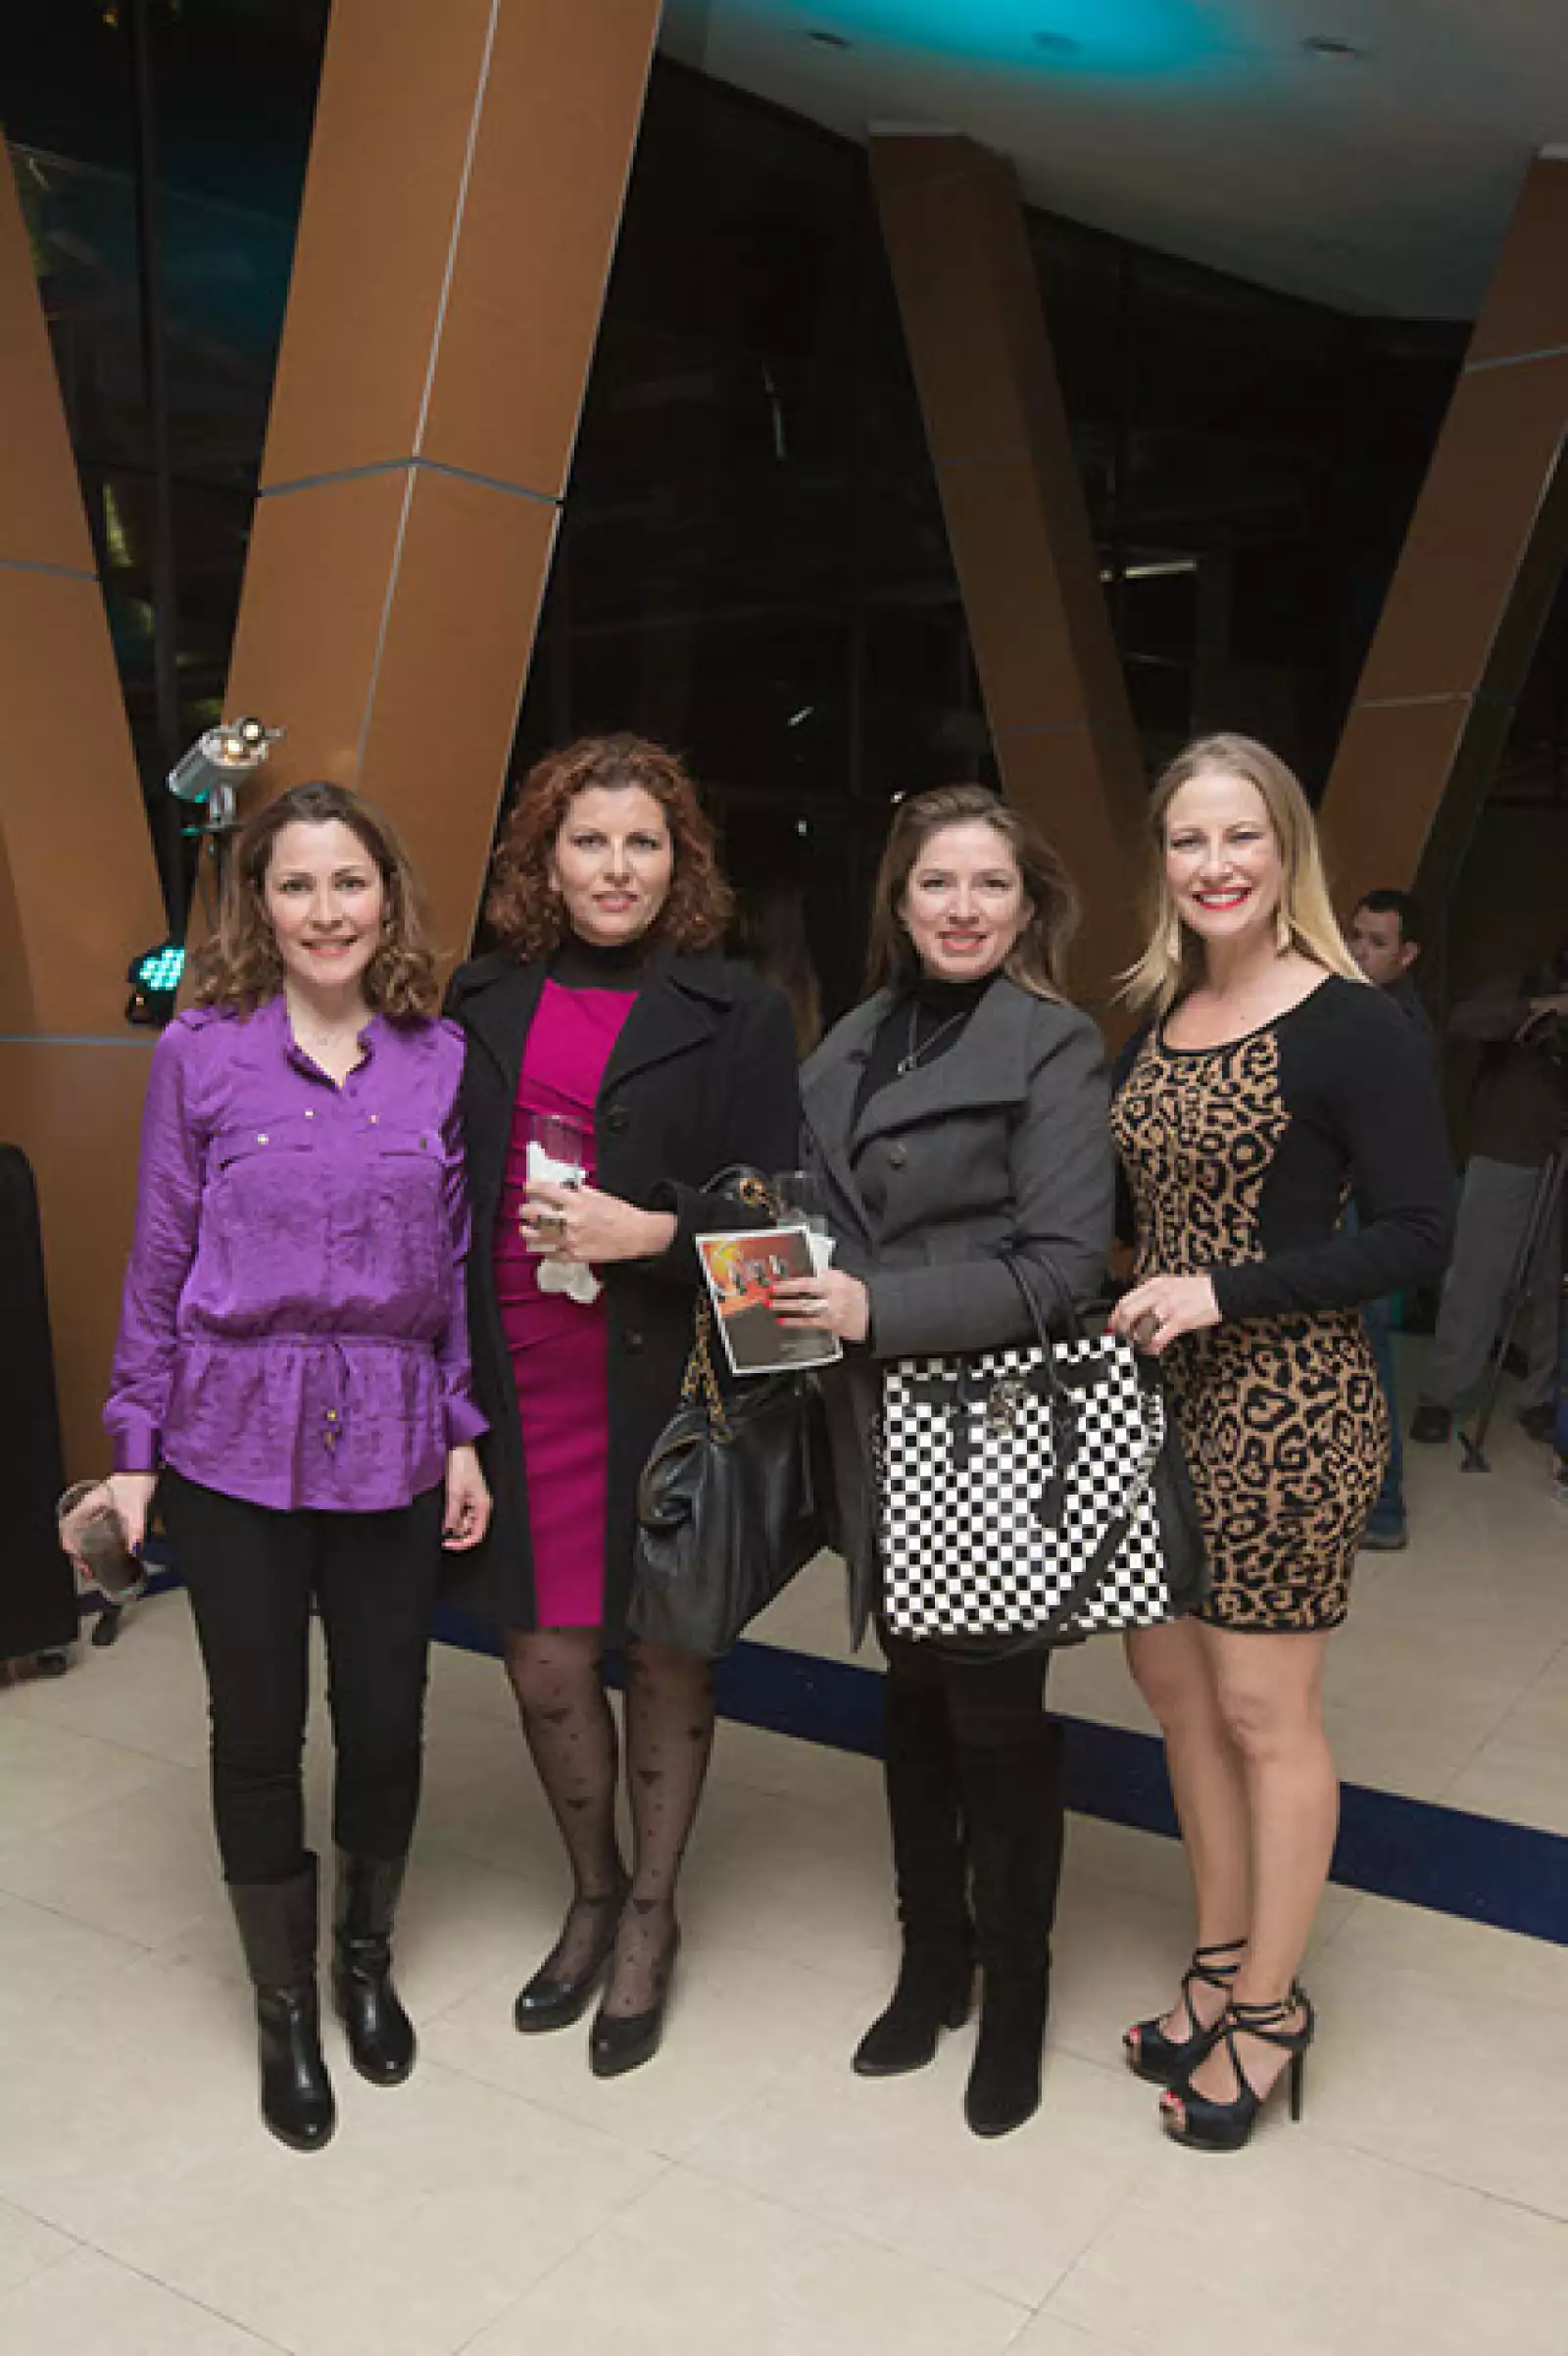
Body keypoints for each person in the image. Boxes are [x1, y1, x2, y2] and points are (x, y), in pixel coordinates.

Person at [103, 782, 491, 2153]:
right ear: (259, 907)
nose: (326, 911)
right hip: (230, 1434)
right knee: (258, 1735)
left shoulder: (438, 1057)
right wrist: (134, 1446)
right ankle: (283, 2006)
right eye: (296, 884)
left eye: (349, 882)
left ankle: (362, 1962)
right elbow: (159, 1252)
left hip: (392, 1433)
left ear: (387, 897)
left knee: (386, 1722)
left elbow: (453, 1263)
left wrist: (461, 1430)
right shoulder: (200, 1055)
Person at [1109, 733, 1451, 2154]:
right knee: (1177, 1698)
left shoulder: (1351, 1021)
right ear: (1163, 861)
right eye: (1189, 840)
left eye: (1240, 835)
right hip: (1155, 1407)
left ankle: (1268, 2008)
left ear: (1286, 847)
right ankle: (1214, 1960)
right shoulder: (1157, 1011)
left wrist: (1220, 1289)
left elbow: (1418, 1236)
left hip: (1288, 1408)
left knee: (1264, 1713)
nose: (1215, 865)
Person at [447, 733, 800, 2078]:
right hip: (519, 1373)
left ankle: (652, 1912)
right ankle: (591, 1887)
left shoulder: (739, 1010)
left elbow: (781, 1234)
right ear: (544, 861)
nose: (615, 867)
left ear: (678, 861)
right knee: (543, 1662)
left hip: (664, 1387)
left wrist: (649, 1231)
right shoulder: (478, 998)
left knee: (663, 1655)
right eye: (587, 841)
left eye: (642, 842)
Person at [777, 784, 1113, 2139]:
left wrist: (877, 1307)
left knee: (995, 1718)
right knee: (912, 1699)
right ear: (899, 902)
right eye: (936, 884)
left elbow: (1064, 1267)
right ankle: (934, 1960)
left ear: (1029, 907)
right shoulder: (854, 1039)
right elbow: (810, 1206)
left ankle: (1017, 1988)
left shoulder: (1054, 1044)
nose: (962, 908)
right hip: (869, 1424)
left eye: (990, 884)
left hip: (990, 1428)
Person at [1410, 940, 1568, 1448]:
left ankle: (1539, 1396)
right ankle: (1443, 1393)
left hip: (1559, 1153)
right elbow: (1466, 1022)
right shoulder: (1522, 983)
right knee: (1477, 1276)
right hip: (1507, 1147)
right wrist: (1542, 1009)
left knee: (1552, 1283)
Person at [1346, 887, 1435, 1549]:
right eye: (1354, 935)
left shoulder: (1395, 1025)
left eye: (1376, 943)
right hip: (1355, 1212)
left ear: (1407, 955)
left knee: (1368, 1361)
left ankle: (1384, 1510)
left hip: (1369, 1219)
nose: (1358, 951)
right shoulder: (1358, 1009)